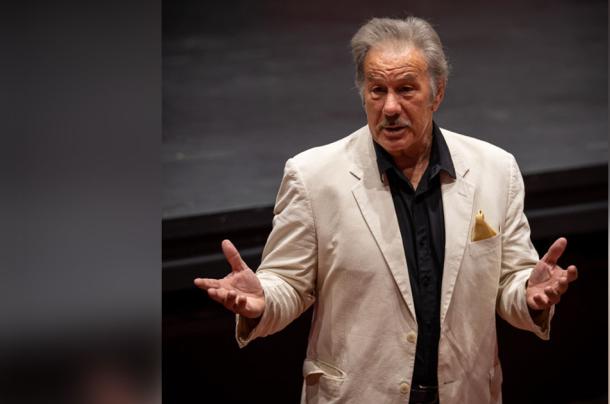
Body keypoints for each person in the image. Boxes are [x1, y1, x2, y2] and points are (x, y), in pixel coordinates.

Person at [194, 16, 578, 404]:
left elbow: (509, 282)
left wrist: (529, 294)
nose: (390, 107)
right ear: (363, 94)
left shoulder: (495, 170)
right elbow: (288, 283)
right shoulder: (314, 177)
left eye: (406, 89)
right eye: (377, 91)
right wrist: (262, 301)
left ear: (438, 92)